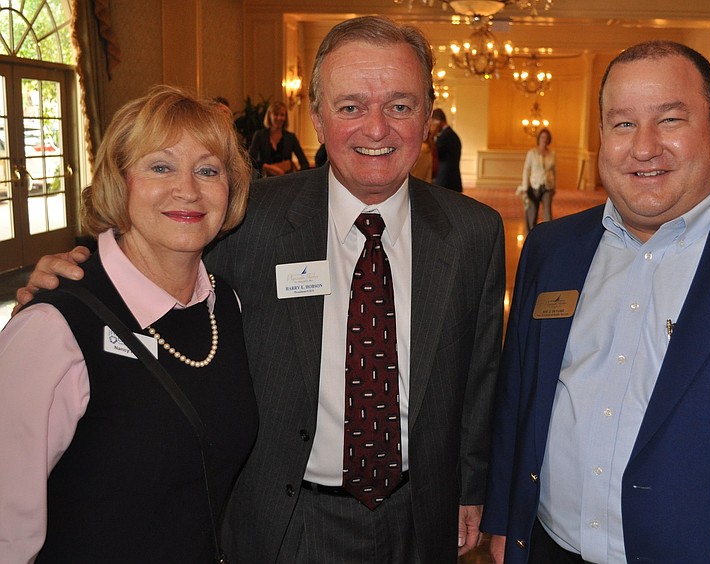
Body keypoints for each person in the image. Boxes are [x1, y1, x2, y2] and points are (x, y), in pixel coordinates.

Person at [17, 15, 506, 564]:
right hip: (283, 519)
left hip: (420, 514)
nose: (376, 128)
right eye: (350, 107)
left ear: (427, 115)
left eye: (400, 104)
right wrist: (77, 274)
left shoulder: (474, 233)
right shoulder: (247, 219)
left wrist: (472, 485)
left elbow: (481, 373)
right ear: (317, 117)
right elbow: (159, 243)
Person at [481, 40, 710, 563]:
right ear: (603, 135)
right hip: (548, 548)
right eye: (623, 124)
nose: (644, 147)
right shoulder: (552, 249)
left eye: (671, 120)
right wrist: (506, 521)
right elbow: (519, 398)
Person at [0, 85, 258, 562]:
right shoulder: (53, 329)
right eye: (160, 167)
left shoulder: (227, 307)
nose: (188, 189)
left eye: (208, 170)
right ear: (120, 181)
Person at [248, 100, 310, 176]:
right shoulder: (260, 135)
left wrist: (296, 177)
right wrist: (270, 167)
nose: (279, 118)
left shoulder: (291, 137)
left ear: (285, 117)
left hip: (286, 180)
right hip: (265, 180)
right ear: (270, 116)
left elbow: (304, 163)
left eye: (282, 115)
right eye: (276, 114)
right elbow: (250, 160)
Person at [519, 127, 556, 231]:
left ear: (549, 140)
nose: (544, 139)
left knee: (547, 213)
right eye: (542, 137)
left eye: (546, 138)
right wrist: (525, 187)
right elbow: (526, 170)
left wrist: (554, 187)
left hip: (548, 186)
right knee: (532, 212)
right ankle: (530, 236)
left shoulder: (552, 154)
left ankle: (548, 234)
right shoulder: (532, 153)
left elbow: (554, 171)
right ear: (539, 139)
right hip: (534, 186)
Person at [430, 107, 463, 191]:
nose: (431, 126)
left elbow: (434, 154)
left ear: (439, 121)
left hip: (446, 180)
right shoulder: (450, 134)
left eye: (433, 123)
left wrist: (431, 136)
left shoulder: (446, 136)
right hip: (450, 179)